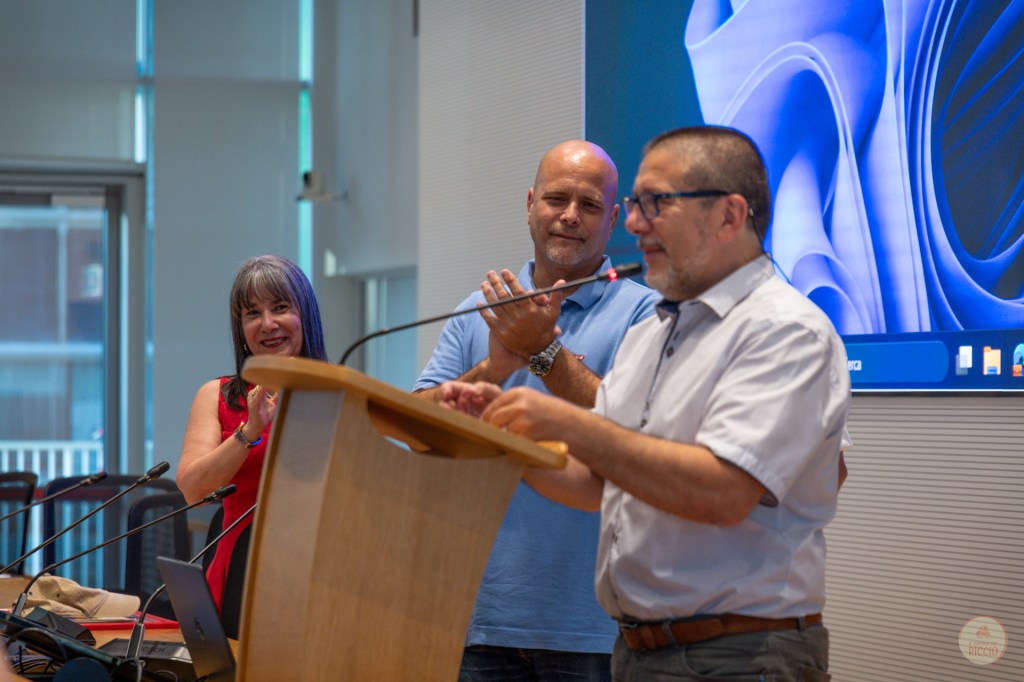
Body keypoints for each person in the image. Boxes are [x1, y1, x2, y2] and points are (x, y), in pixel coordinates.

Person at [443, 126, 850, 681]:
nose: (633, 224)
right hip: (639, 649)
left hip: (739, 652)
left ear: (729, 216)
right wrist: (503, 433)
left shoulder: (782, 330)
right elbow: (599, 482)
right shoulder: (656, 333)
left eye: (657, 204)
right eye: (636, 205)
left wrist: (565, 419)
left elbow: (724, 491)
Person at [415, 140, 660, 681]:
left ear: (612, 220)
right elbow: (416, 427)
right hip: (481, 617)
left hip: (594, 627)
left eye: (589, 205)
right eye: (556, 199)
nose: (570, 216)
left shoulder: (645, 315)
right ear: (530, 204)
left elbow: (642, 437)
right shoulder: (479, 310)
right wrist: (492, 369)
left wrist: (543, 353)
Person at [176, 254, 327, 638]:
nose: (268, 324)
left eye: (280, 308)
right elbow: (193, 490)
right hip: (241, 576)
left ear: (305, 315)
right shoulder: (217, 395)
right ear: (241, 329)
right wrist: (250, 430)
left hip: (322, 575)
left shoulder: (338, 396)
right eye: (253, 313)